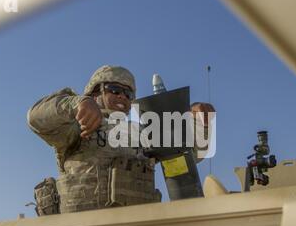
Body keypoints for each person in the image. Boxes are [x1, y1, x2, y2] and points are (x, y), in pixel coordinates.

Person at [28, 65, 215, 214]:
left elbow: (191, 155)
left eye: (129, 94)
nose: (122, 97)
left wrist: (201, 124)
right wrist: (77, 104)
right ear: (95, 92)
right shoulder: (75, 125)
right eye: (115, 90)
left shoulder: (142, 133)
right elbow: (35, 118)